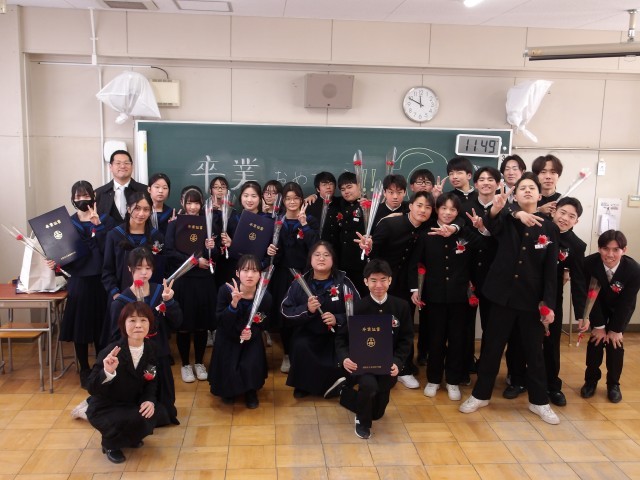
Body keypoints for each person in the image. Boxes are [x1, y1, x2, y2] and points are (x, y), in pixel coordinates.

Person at [459, 173, 561, 425]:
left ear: (539, 194)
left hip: (531, 300)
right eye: (522, 188)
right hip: (501, 296)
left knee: (534, 353)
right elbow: (491, 224)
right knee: (492, 348)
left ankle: (539, 401)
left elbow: (551, 271)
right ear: (515, 195)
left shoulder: (549, 228)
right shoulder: (507, 217)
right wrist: (510, 212)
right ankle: (480, 395)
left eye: (532, 188)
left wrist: (548, 303)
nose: (527, 191)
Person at [506, 197, 588, 406]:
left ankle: (552, 386)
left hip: (552, 298)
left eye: (571, 216)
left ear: (576, 221)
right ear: (554, 211)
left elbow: (579, 281)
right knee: (518, 338)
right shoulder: (537, 226)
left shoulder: (577, 245)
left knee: (551, 343)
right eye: (562, 212)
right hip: (526, 294)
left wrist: (582, 314)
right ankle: (517, 380)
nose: (565, 218)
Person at [355, 191, 435, 389]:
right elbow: (372, 253)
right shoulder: (391, 223)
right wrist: (368, 248)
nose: (423, 210)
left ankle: (403, 368)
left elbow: (414, 262)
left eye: (427, 207)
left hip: (405, 285)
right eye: (419, 205)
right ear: (410, 206)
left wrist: (414, 288)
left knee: (403, 326)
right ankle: (371, 364)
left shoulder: (426, 229)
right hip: (381, 283)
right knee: (376, 324)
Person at [409, 192, 478, 401]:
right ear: (436, 210)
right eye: (444, 208)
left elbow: (481, 246)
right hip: (433, 297)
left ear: (458, 213)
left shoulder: (465, 233)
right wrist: (415, 289)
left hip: (459, 297)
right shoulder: (426, 234)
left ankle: (453, 381)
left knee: (457, 339)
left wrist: (464, 226)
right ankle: (433, 379)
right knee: (435, 339)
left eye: (453, 209)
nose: (448, 213)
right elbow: (414, 263)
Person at [334, 259, 413, 439]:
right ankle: (362, 421)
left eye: (383, 280)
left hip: (387, 365)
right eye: (373, 280)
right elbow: (341, 338)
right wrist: (345, 358)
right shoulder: (356, 307)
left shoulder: (401, 306)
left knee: (377, 413)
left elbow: (406, 339)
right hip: (362, 366)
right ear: (365, 282)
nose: (378, 285)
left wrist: (398, 362)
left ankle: (344, 393)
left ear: (390, 280)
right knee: (369, 387)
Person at [47, 181, 115, 388]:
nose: (82, 200)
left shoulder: (106, 220)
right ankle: (84, 368)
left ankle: (101, 366)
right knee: (81, 327)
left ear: (93, 197)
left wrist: (98, 226)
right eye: (77, 197)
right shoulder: (66, 223)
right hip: (79, 281)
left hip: (102, 280)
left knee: (101, 325)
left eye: (85, 196)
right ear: (72, 199)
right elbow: (63, 255)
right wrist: (54, 263)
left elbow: (110, 250)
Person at [109, 247, 183, 425]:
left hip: (159, 353)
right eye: (139, 268)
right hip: (135, 359)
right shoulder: (121, 302)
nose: (144, 273)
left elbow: (178, 323)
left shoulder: (161, 292)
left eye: (148, 268)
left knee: (165, 411)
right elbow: (115, 336)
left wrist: (169, 302)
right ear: (129, 269)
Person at [86, 302, 166, 464]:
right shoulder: (111, 351)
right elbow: (91, 387)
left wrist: (149, 400)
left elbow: (151, 379)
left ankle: (129, 437)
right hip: (106, 406)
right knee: (127, 418)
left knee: (156, 413)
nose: (138, 325)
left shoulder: (151, 349)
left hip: (131, 402)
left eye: (143, 320)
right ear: (123, 324)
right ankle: (110, 445)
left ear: (150, 324)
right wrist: (107, 372)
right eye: (132, 320)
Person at [281, 241, 360, 398]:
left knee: (342, 351)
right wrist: (307, 309)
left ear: (333, 259)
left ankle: (336, 385)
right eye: (317, 255)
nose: (321, 258)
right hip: (308, 333)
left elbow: (359, 312)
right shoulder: (299, 283)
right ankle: (303, 385)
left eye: (326, 255)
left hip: (336, 335)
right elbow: (285, 311)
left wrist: (337, 319)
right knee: (300, 345)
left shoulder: (344, 282)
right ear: (310, 259)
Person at [165, 186, 219, 383]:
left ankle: (199, 362)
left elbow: (217, 256)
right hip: (183, 280)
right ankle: (186, 365)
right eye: (189, 203)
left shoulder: (209, 223)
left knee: (201, 325)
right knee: (184, 325)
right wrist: (194, 261)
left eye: (196, 203)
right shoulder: (174, 224)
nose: (193, 207)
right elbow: (168, 251)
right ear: (182, 203)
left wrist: (212, 249)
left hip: (204, 281)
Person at [580, 230, 640, 403]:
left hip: (620, 310)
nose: (610, 254)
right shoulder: (588, 264)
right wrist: (599, 326)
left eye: (616, 250)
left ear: (624, 250)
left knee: (615, 344)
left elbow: (627, 302)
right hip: (596, 306)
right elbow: (590, 296)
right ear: (599, 248)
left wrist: (615, 329)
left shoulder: (634, 269)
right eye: (605, 249)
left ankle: (613, 384)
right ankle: (590, 381)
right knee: (596, 341)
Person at [266, 182, 319, 373]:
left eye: (296, 198)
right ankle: (287, 354)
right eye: (288, 198)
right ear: (283, 201)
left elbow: (316, 247)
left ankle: (301, 354)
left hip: (304, 275)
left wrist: (304, 224)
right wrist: (270, 250)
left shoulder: (310, 220)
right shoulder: (276, 221)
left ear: (302, 200)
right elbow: (272, 252)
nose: (292, 202)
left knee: (304, 314)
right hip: (282, 275)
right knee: (285, 316)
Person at [208, 254, 272, 408]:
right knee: (229, 362)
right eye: (245, 270)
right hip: (228, 335)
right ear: (237, 273)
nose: (250, 275)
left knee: (251, 361)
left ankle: (251, 391)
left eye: (254, 271)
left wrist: (252, 332)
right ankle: (228, 390)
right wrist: (233, 304)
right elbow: (220, 321)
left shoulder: (265, 296)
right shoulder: (226, 290)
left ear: (260, 275)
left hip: (250, 337)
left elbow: (264, 322)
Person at [462, 167, 501, 382]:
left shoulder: (504, 209)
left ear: (498, 184)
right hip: (467, 274)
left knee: (491, 325)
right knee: (465, 324)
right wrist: (483, 234)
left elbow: (503, 241)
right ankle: (466, 363)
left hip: (493, 276)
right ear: (475, 184)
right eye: (482, 179)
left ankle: (486, 366)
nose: (486, 182)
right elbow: (463, 236)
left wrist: (484, 231)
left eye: (491, 179)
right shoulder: (465, 207)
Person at [102, 191, 165, 301]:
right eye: (137, 208)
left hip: (149, 298)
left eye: (146, 209)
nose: (141, 214)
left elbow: (159, 269)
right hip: (120, 296)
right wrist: (116, 294)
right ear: (128, 209)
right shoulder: (114, 235)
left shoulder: (157, 237)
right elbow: (107, 270)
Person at [330, 172, 367, 295]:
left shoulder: (368, 204)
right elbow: (323, 199)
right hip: (342, 262)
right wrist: (313, 195)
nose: (346, 191)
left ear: (359, 186)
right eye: (342, 189)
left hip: (361, 263)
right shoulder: (338, 203)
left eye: (349, 187)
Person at [95, 150, 148, 225]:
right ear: (110, 167)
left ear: (132, 166)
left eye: (126, 163)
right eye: (118, 163)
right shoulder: (98, 193)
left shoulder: (145, 191)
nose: (123, 166)